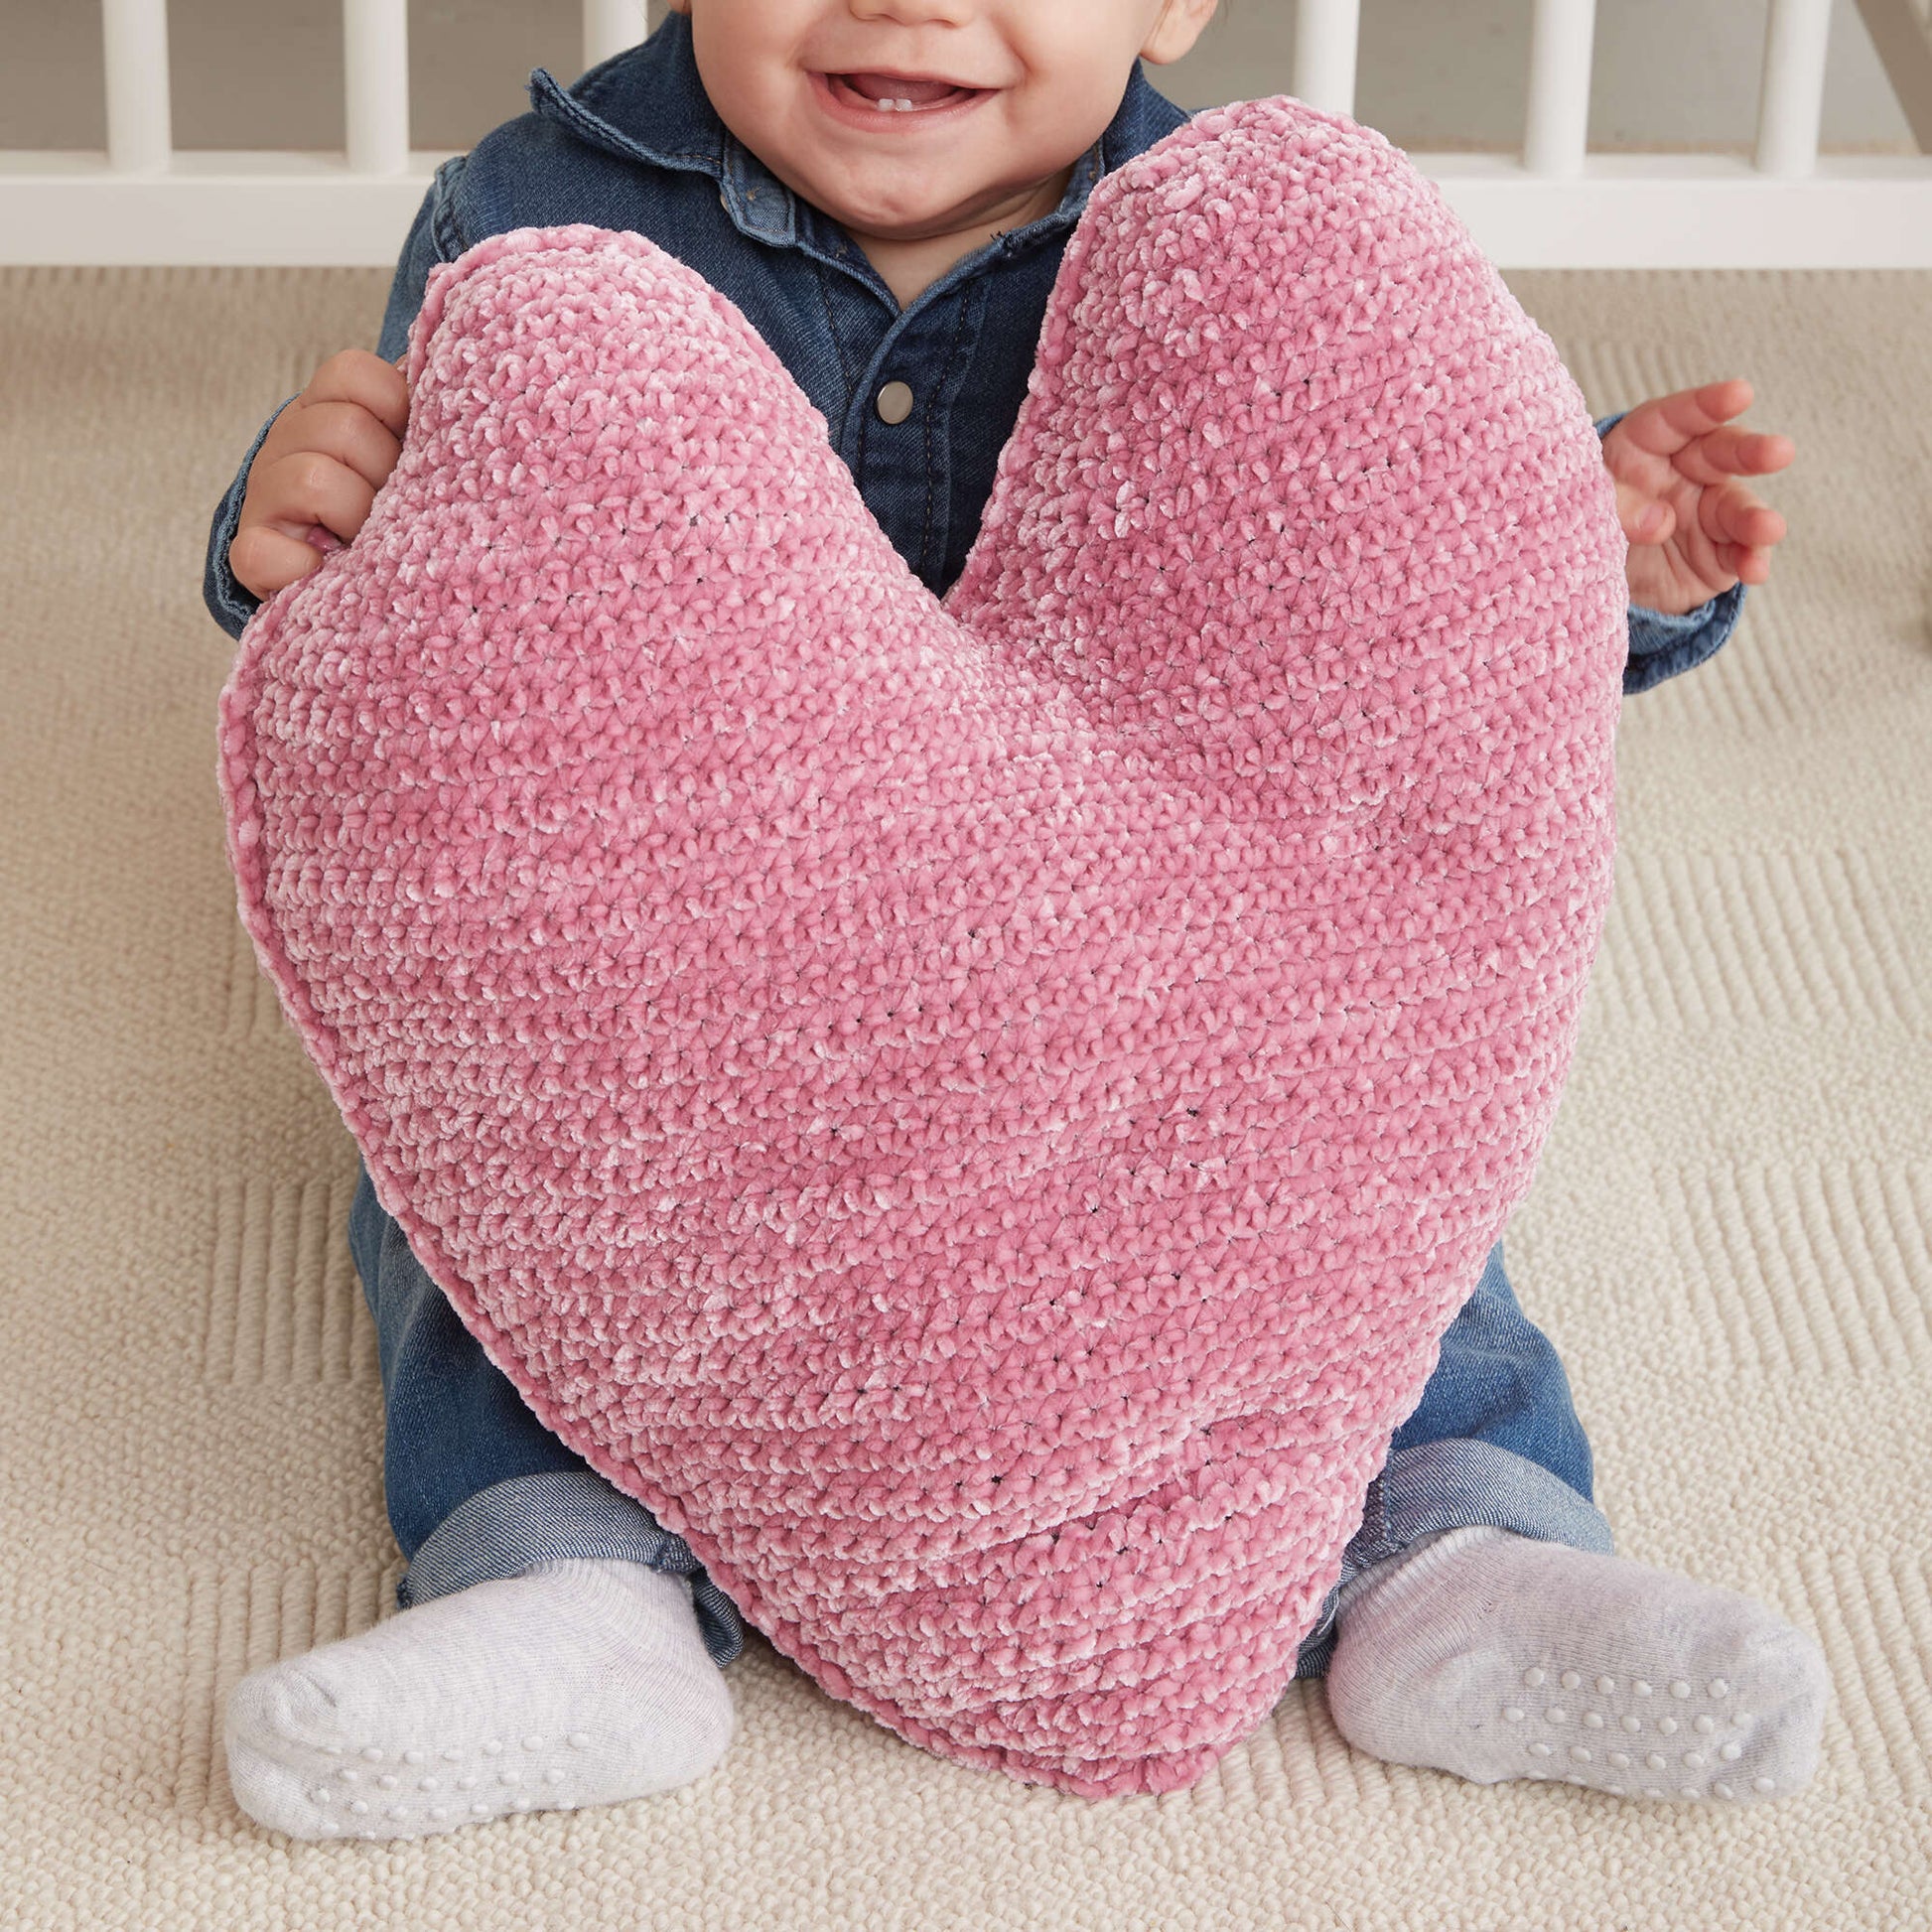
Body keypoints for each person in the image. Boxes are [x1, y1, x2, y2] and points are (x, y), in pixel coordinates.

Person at [203, 0, 1825, 1843]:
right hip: (723, 980)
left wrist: (1573, 551)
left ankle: (1461, 1552)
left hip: (1168, 973)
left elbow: (1383, 657)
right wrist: (306, 508)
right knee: (490, 1194)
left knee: (1382, 1137)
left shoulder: (1247, 258)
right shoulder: (537, 218)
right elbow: (437, 630)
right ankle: (557, 1579)